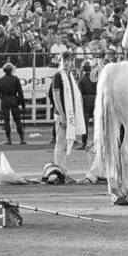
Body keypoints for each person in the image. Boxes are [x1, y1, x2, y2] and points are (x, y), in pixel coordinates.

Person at [45, 51, 86, 182]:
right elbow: (56, 97)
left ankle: (62, 170)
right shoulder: (58, 75)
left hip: (69, 114)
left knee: (65, 142)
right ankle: (59, 171)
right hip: (62, 114)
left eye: (69, 60)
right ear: (60, 61)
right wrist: (62, 115)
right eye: (65, 60)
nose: (67, 63)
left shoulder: (69, 76)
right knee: (61, 143)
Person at [0, 62, 26, 145]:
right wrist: (22, 103)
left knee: (6, 120)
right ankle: (22, 139)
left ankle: (9, 140)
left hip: (4, 100)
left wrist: (1, 96)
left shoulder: (1, 80)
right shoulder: (15, 79)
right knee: (17, 120)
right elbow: (20, 92)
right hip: (13, 100)